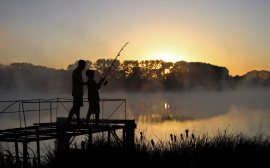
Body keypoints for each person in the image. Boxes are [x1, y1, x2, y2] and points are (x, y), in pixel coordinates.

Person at [65, 60, 88, 127]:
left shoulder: (79, 71)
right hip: (76, 93)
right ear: (81, 65)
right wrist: (84, 83)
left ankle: (78, 121)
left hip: (79, 93)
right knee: (75, 107)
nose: (84, 67)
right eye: (84, 65)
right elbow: (75, 81)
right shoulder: (76, 71)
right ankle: (68, 122)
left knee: (77, 107)